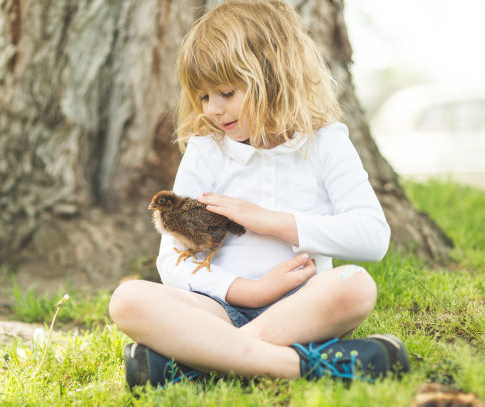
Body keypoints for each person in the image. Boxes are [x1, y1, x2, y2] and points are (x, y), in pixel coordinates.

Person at [109, 0, 409, 388]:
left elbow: (373, 237)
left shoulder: (325, 144)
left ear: (274, 75)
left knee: (355, 285)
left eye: (226, 92)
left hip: (301, 308)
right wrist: (248, 292)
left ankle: (196, 365)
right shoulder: (208, 150)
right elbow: (173, 261)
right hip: (217, 307)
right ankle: (307, 365)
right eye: (203, 97)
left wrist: (273, 222)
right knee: (128, 299)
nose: (213, 109)